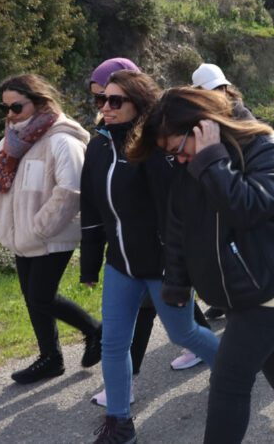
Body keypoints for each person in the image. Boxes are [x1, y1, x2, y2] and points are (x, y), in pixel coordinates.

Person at [131, 87, 274, 444]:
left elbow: (248, 208)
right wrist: (176, 283)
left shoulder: (265, 146)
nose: (178, 160)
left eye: (178, 149)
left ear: (202, 128)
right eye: (170, 154)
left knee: (228, 380)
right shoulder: (189, 163)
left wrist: (211, 160)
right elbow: (177, 226)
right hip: (240, 285)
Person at [81, 70, 222, 442]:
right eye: (101, 101)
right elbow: (92, 208)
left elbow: (175, 215)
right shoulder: (96, 147)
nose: (105, 109)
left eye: (115, 101)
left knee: (185, 331)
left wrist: (179, 270)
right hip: (121, 265)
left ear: (138, 105)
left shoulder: (153, 151)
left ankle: (232, 366)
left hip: (161, 265)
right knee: (113, 342)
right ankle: (120, 424)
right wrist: (90, 264)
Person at [0, 74, 100, 384]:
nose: (9, 114)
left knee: (41, 296)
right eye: (5, 107)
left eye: (16, 107)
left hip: (51, 237)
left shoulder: (63, 139)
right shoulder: (11, 140)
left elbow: (72, 190)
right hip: (21, 235)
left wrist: (40, 228)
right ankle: (50, 358)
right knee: (31, 297)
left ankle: (94, 330)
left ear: (38, 102)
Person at [192, 61, 254, 323]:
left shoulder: (241, 116)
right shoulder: (204, 119)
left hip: (237, 191)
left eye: (219, 88)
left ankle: (240, 305)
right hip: (218, 193)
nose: (216, 94)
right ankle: (224, 300)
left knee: (237, 254)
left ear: (226, 88)